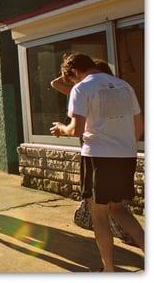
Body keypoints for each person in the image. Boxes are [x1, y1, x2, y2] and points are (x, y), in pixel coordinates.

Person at [49, 53, 144, 272]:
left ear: (74, 72)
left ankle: (108, 270)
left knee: (99, 214)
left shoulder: (81, 88)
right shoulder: (124, 86)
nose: (72, 83)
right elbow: (138, 127)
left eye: (71, 78)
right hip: (126, 155)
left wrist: (60, 130)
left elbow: (76, 129)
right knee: (119, 209)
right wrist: (124, 146)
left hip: (98, 156)